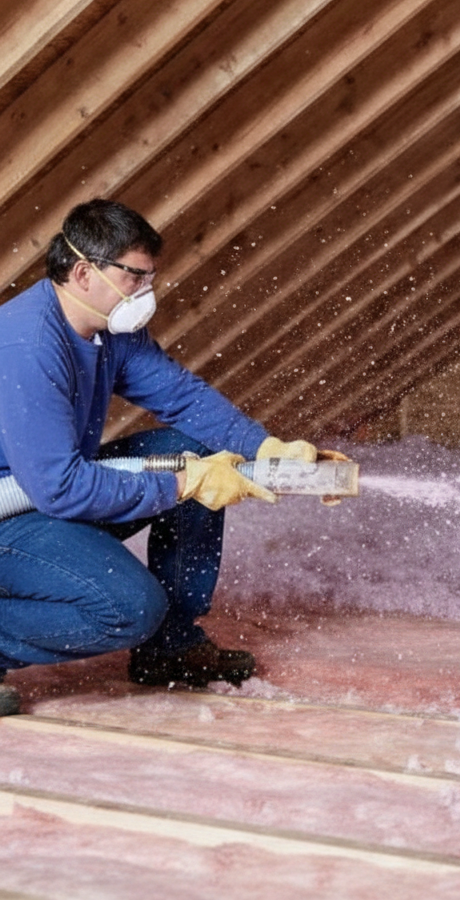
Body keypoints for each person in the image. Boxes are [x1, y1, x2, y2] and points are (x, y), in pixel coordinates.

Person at [0, 200, 339, 716]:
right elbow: (59, 488)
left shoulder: (109, 328)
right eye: (135, 277)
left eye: (150, 277)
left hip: (44, 494)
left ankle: (172, 648)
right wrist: (182, 485)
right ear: (84, 272)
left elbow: (180, 395)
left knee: (198, 451)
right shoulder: (27, 345)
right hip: (16, 513)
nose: (146, 292)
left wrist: (264, 447)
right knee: (129, 607)